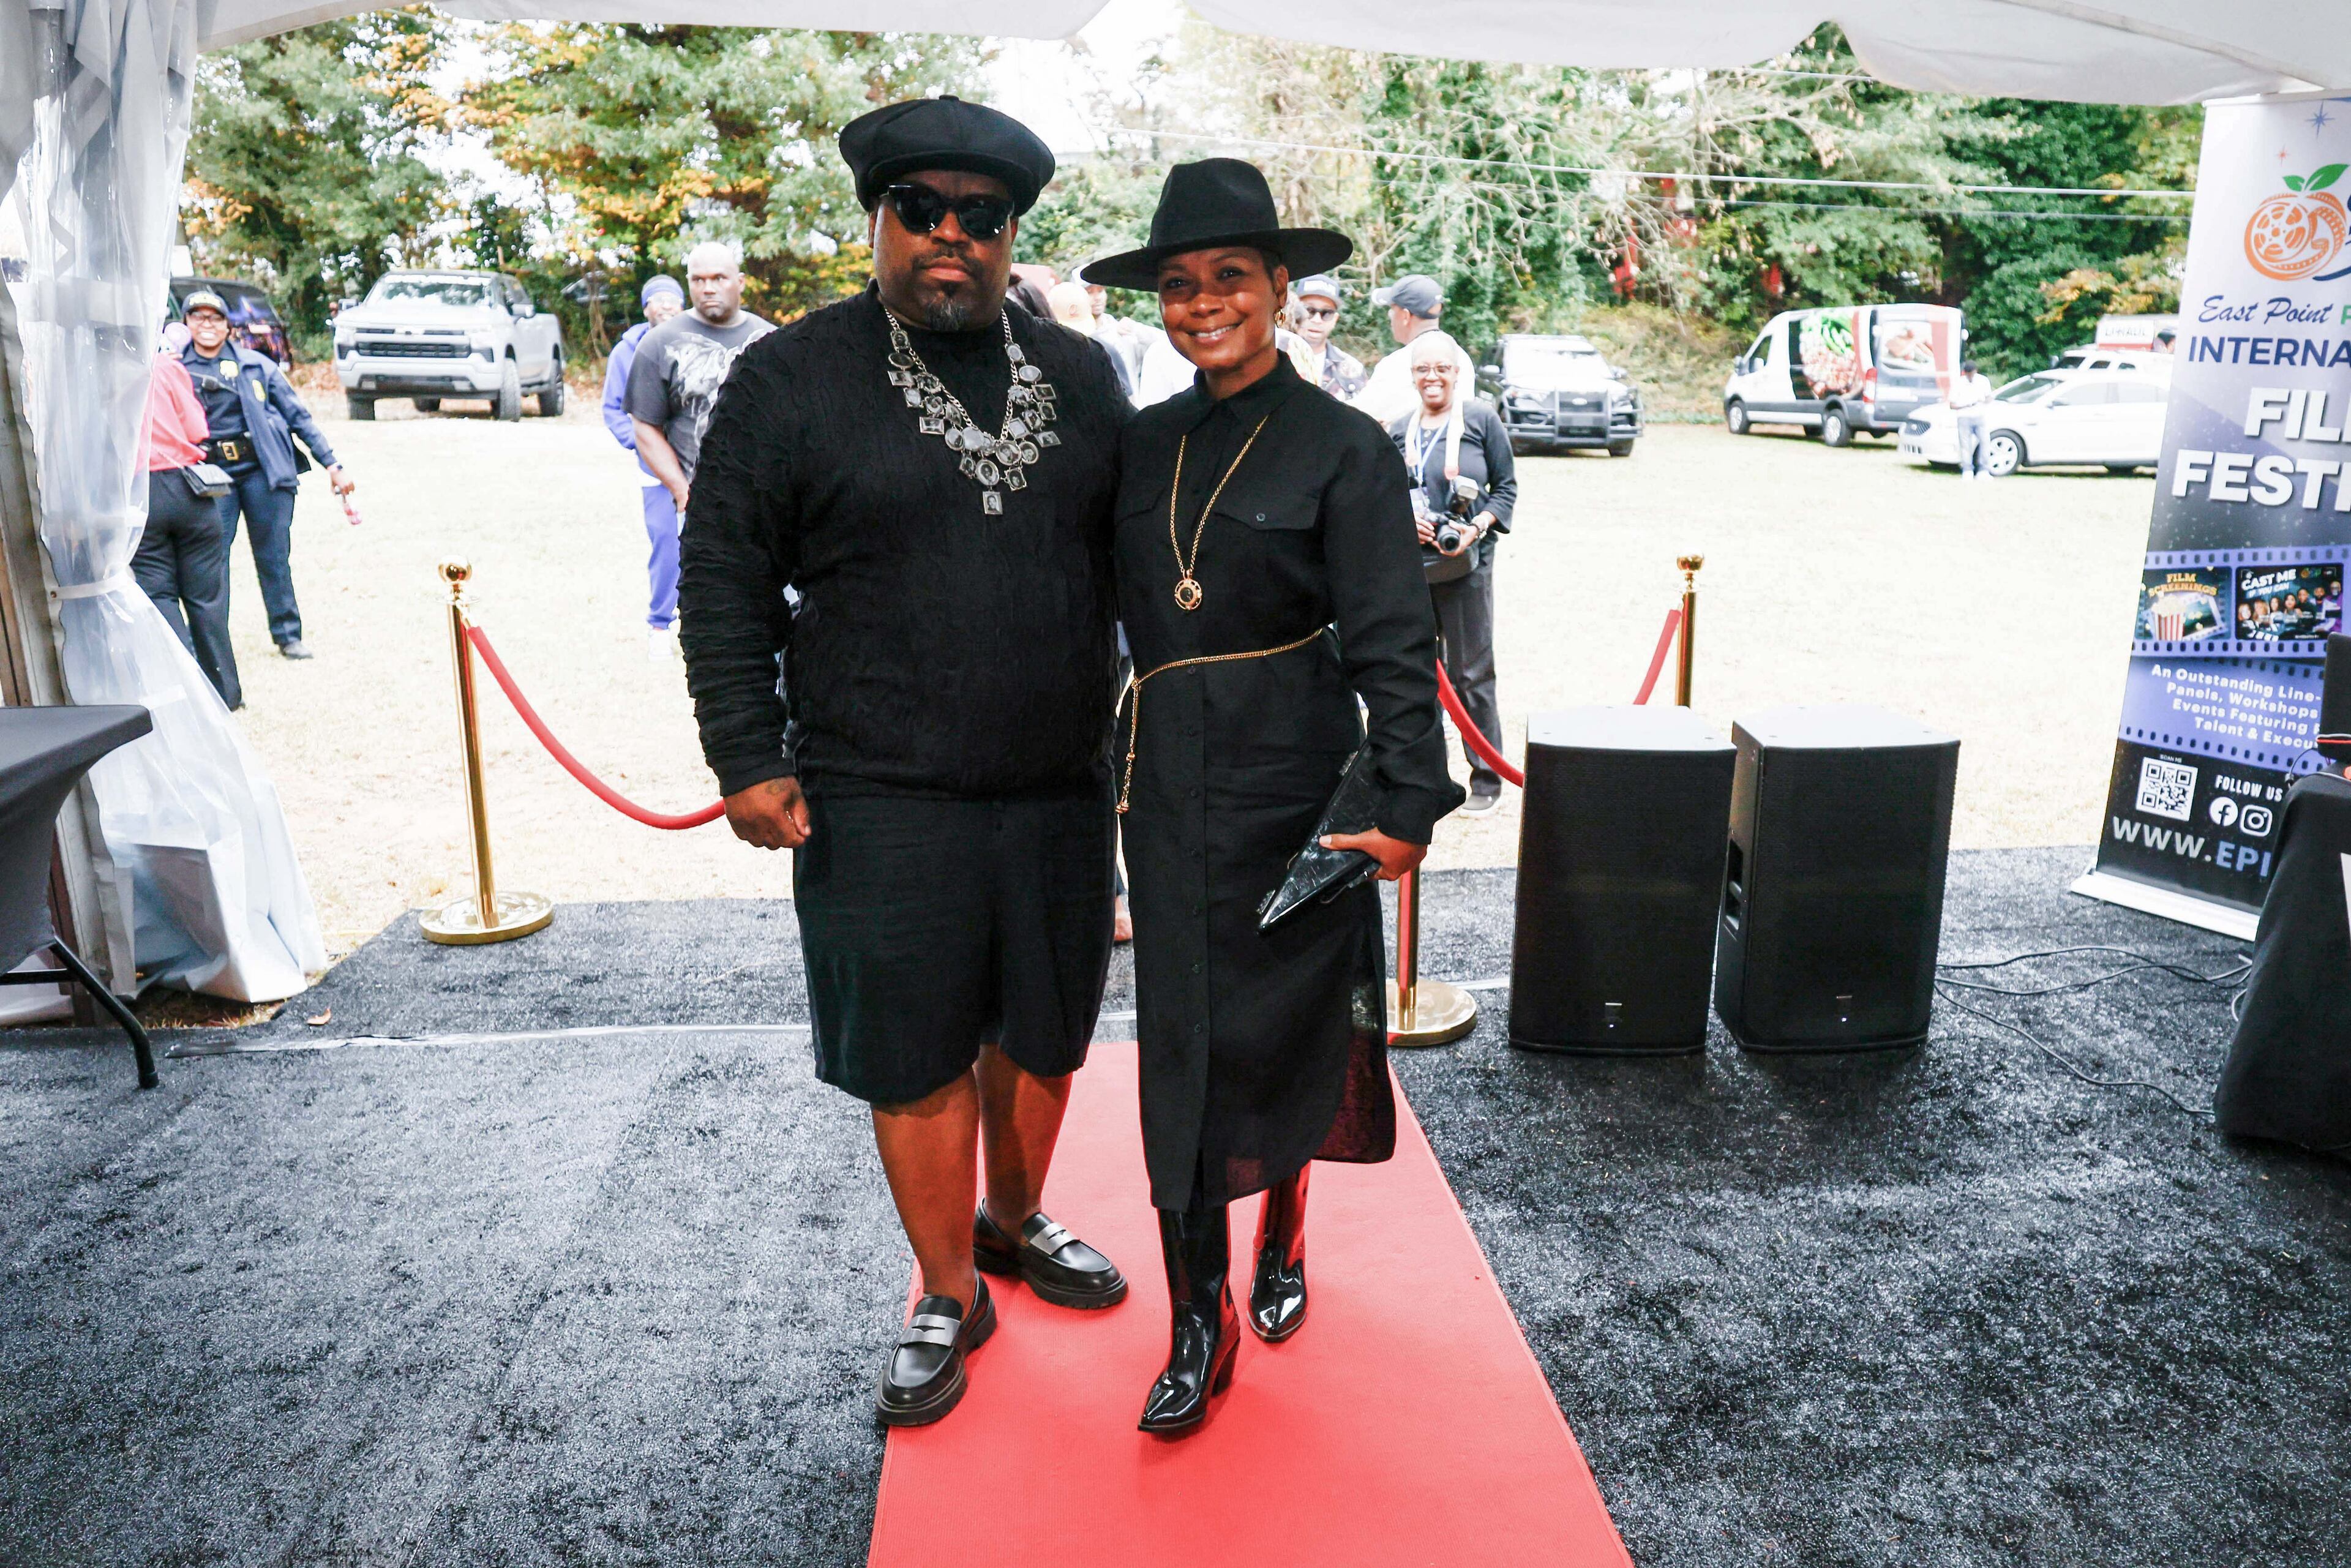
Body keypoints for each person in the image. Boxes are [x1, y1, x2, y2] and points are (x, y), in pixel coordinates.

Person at [678, 95, 1132, 1429]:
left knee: (1046, 1028)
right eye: (920, 211)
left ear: (1010, 234)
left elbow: (1147, 560)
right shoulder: (793, 375)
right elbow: (723, 578)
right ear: (877, 221)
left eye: (981, 217)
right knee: (915, 1047)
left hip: (1058, 779)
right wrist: (744, 753)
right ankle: (947, 1286)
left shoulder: (1088, 378)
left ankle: (1017, 1218)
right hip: (877, 785)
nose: (951, 237)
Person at [1086, 158, 1462, 1434]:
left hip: (1301, 792)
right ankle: (1200, 1313)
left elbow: (1396, 641)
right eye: (1180, 285)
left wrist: (1408, 796)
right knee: (1181, 1048)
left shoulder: (1347, 446)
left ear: (1279, 287)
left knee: (1293, 1027)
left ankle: (1286, 1226)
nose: (1202, 305)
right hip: (1165, 789)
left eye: (1228, 280)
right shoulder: (1141, 444)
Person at [179, 288, 350, 660]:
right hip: (209, 477)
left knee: (273, 556)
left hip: (261, 471)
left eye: (215, 318)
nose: (207, 325)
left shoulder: (256, 365)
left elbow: (298, 417)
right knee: (210, 562)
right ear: (187, 323)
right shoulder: (176, 369)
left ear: (227, 326)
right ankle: (209, 644)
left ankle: (288, 635)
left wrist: (332, 465)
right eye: (199, 317)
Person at [1392, 329, 1517, 814]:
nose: (1433, 377)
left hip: (1467, 567)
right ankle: (1427, 780)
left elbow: (1506, 487)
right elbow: (1382, 495)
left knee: (1470, 673)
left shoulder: (1482, 419)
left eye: (1442, 368)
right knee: (1416, 673)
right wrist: (1406, 519)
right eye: (1423, 369)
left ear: (1457, 372)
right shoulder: (1400, 428)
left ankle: (1487, 776)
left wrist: (1478, 525)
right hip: (1413, 569)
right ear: (1413, 377)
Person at [625, 242, 774, 552]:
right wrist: (684, 493)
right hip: (701, 511)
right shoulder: (658, 345)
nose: (708, 288)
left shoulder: (773, 342)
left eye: (720, 278)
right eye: (698, 280)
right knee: (705, 599)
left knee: (782, 600)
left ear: (741, 282)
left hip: (769, 510)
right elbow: (644, 427)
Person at [137, 331, 241, 708]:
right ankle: (226, 693)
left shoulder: (95, 375)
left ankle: (188, 696)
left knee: (159, 596)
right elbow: (198, 430)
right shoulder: (166, 367)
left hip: (137, 493)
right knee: (206, 598)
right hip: (187, 487)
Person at [602, 275, 688, 659]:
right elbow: (614, 409)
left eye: (673, 299)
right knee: (666, 545)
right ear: (646, 308)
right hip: (655, 474)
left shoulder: (697, 341)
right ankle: (659, 626)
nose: (667, 306)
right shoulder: (627, 352)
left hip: (704, 468)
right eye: (659, 300)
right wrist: (643, 447)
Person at [1351, 273, 1475, 426]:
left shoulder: (1399, 363)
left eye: (1391, 310)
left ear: (1405, 316)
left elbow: (1357, 417)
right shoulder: (1461, 357)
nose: (1390, 317)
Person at [1048, 279, 1134, 399]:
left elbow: (1129, 400)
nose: (1097, 297)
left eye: (1100, 291)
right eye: (1090, 292)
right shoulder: (1046, 355)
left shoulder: (1109, 346)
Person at [1288, 274, 1367, 398]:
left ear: (1335, 320)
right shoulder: (1272, 358)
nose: (1317, 320)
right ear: (1294, 312)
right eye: (1309, 310)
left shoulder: (1353, 368)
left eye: (1327, 313)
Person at [1951, 358, 1995, 479]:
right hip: (1964, 417)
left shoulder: (1983, 381)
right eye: (1968, 374)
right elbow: (1952, 405)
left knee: (1985, 442)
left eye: (1972, 374)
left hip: (1979, 416)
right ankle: (1967, 469)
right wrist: (1966, 404)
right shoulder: (1959, 383)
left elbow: (1989, 398)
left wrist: (1982, 401)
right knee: (1965, 445)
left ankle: (1983, 470)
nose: (1970, 376)